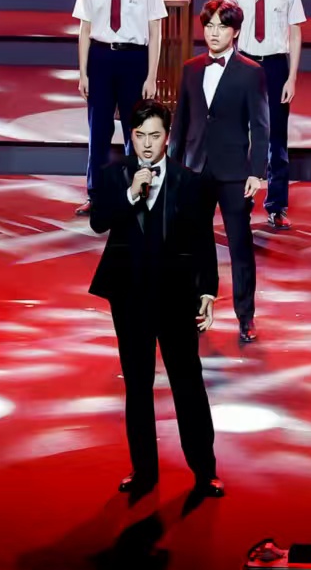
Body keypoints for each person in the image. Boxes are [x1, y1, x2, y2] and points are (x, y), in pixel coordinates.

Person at [88, 101, 223, 502]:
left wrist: (207, 291)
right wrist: (131, 194)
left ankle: (205, 470)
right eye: (140, 136)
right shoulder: (114, 176)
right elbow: (98, 222)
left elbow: (203, 240)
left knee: (188, 382)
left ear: (168, 137)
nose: (147, 144)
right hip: (128, 296)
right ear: (131, 136)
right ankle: (144, 470)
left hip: (176, 296)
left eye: (155, 136)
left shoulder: (191, 181)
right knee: (137, 384)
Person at [172, 0, 270, 344]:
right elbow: (180, 123)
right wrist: (173, 168)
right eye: (209, 26)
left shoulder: (251, 72)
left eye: (222, 27)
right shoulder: (190, 68)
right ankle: (199, 307)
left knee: (240, 246)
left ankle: (246, 316)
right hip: (195, 168)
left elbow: (261, 126)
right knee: (196, 242)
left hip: (234, 173)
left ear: (235, 32)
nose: (214, 33)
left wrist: (257, 172)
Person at [73, 0, 167, 214]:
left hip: (134, 58)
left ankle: (138, 189)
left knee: (135, 130)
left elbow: (155, 30)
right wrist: (83, 73)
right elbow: (84, 30)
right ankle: (96, 194)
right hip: (101, 58)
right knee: (98, 130)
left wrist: (152, 75)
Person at [222, 0, 306, 230]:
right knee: (238, 135)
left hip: (275, 66)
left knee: (276, 137)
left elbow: (295, 33)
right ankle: (238, 202)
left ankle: (276, 205)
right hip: (242, 64)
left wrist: (292, 76)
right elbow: (226, 33)